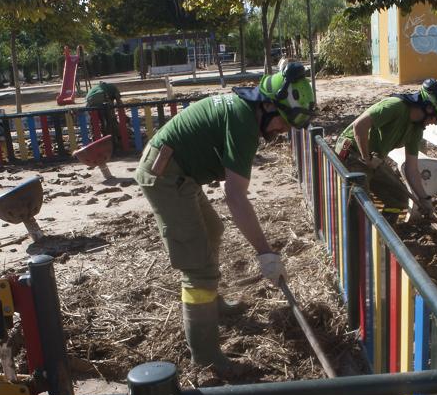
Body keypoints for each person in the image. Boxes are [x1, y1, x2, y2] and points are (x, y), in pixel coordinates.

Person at [135, 61, 316, 377]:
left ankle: (212, 305)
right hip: (165, 176)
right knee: (198, 268)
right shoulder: (244, 120)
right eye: (283, 123)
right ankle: (205, 356)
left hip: (181, 173)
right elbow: (235, 196)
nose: (281, 131)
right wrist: (265, 253)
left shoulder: (245, 111)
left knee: (213, 229)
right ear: (268, 106)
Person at [334, 79, 437, 220]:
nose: (435, 122)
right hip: (353, 153)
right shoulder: (395, 106)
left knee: (398, 198)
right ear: (429, 108)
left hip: (373, 159)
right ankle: (357, 239)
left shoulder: (416, 129)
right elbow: (359, 126)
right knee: (360, 202)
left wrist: (425, 198)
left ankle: (384, 239)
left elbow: (411, 168)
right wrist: (367, 158)